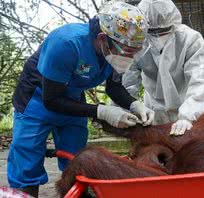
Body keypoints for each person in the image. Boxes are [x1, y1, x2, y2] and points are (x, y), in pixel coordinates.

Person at [7, 1, 154, 197]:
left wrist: (135, 105)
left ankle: (78, 192)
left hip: (72, 100)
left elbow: (114, 87)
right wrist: (101, 111)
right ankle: (25, 193)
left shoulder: (112, 51)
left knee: (77, 158)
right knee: (27, 158)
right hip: (37, 99)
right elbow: (51, 100)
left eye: (134, 52)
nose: (129, 57)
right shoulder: (67, 43)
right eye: (126, 51)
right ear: (103, 38)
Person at [122, 0, 204, 136]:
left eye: (163, 30)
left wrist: (188, 116)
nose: (157, 35)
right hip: (153, 111)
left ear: (173, 22)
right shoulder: (137, 43)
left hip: (187, 106)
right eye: (151, 31)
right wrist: (120, 110)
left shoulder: (190, 39)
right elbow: (128, 83)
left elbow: (199, 80)